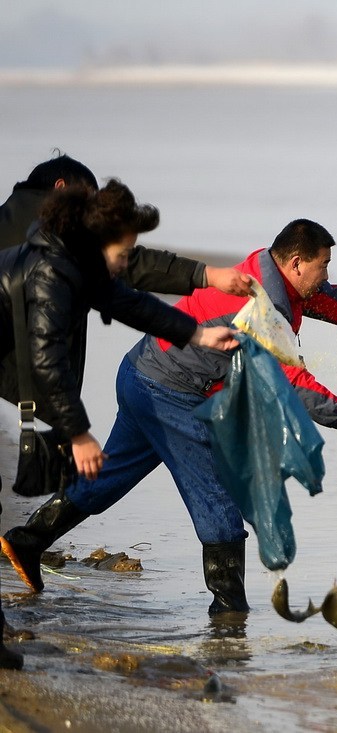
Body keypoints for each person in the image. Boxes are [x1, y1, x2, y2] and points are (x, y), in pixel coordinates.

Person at [2, 218, 337, 619]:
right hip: (168, 392)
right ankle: (228, 618)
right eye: (323, 265)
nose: (327, 274)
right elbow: (291, 381)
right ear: (297, 263)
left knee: (110, 478)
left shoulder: (270, 272)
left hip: (141, 372)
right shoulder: (263, 306)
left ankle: (26, 541)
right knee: (219, 508)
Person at [0, 179, 239, 671]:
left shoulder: (78, 263)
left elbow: (133, 304)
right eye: (127, 251)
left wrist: (197, 332)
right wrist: (81, 433)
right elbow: (47, 362)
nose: (130, 260)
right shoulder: (52, 273)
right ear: (99, 239)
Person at [1, 153, 252, 297]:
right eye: (87, 200)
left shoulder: (8, 218)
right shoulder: (64, 233)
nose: (92, 214)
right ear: (61, 188)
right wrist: (207, 275)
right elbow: (131, 264)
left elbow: (129, 305)